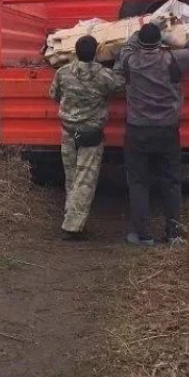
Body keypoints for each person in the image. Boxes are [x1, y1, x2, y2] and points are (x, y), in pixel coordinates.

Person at [114, 22, 189, 246]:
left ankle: (142, 235)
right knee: (171, 181)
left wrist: (139, 32)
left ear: (140, 42)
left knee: (139, 182)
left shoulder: (130, 60)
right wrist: (171, 38)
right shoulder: (174, 60)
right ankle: (173, 234)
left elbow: (127, 47)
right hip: (167, 130)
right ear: (159, 42)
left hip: (137, 129)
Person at [49, 35, 125, 241]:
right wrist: (119, 62)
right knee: (84, 180)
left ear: (75, 51)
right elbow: (121, 86)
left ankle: (70, 214)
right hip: (90, 135)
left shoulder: (63, 72)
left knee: (72, 177)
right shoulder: (103, 75)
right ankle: (72, 227)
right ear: (96, 53)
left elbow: (54, 95)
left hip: (68, 132)